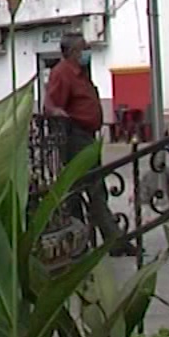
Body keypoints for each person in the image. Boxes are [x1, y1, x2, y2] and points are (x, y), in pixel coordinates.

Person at [44, 33, 123, 252]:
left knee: (94, 188)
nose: (86, 52)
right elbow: (51, 103)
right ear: (72, 52)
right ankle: (104, 240)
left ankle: (95, 239)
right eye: (83, 48)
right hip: (75, 136)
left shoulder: (80, 74)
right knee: (88, 188)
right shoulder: (63, 73)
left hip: (87, 135)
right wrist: (60, 116)